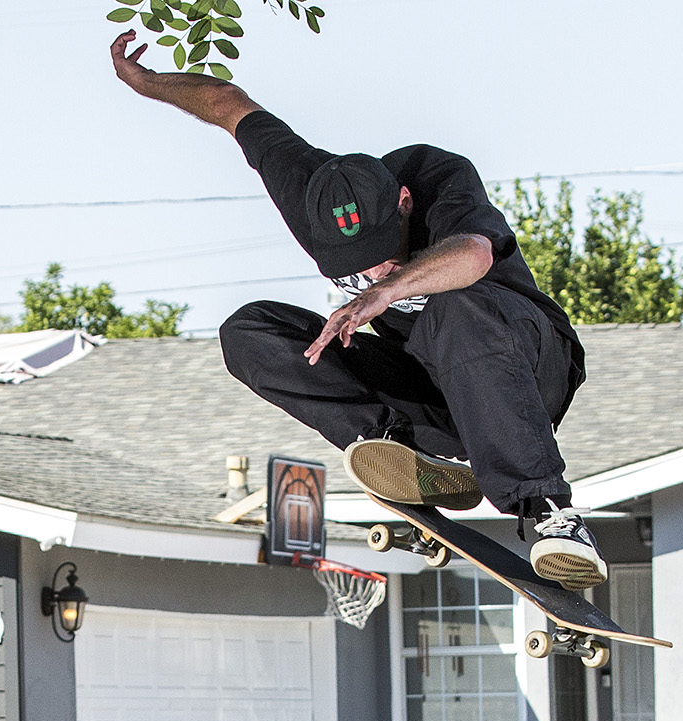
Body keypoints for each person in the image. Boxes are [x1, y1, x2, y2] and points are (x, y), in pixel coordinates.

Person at [109, 32, 605, 591]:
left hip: (526, 369)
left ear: (403, 202)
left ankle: (547, 512)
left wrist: (384, 293)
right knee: (249, 331)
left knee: (456, 307)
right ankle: (393, 449)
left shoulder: (437, 178)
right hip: (431, 386)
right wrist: (146, 83)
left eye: (381, 256)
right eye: (357, 267)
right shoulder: (310, 192)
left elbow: (474, 254)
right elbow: (228, 105)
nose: (371, 272)